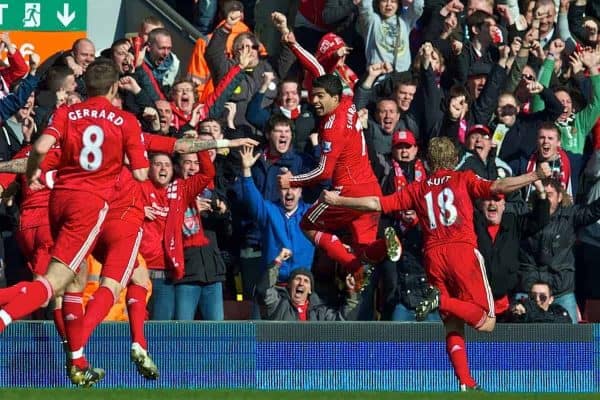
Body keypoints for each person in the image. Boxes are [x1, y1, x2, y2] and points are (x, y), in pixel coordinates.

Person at [320, 136, 551, 391]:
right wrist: (534, 175)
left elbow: (376, 203)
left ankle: (466, 382)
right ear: (453, 160)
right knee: (487, 321)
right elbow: (498, 185)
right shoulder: (462, 178)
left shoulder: (418, 188)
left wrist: (338, 201)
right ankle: (440, 301)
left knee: (453, 323)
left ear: (428, 163)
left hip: (433, 257)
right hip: (461, 251)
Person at [0, 59, 149, 386]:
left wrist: (34, 170)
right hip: (88, 205)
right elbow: (140, 173)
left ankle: (78, 360)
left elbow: (40, 147)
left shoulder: (68, 113)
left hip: (57, 203)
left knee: (72, 280)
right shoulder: (125, 121)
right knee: (52, 283)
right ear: (113, 88)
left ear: (86, 86)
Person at [278, 74, 400, 287]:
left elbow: (324, 172)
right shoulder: (348, 103)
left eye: (320, 96)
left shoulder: (332, 128)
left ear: (335, 97)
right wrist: (294, 46)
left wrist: (292, 181)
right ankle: (386, 245)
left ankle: (353, 267)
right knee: (366, 250)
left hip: (347, 193)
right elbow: (318, 71)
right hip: (371, 190)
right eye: (313, 96)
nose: (315, 100)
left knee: (307, 224)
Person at [254, 248, 360, 321]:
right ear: (289, 285)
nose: (301, 283)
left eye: (306, 281)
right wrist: (278, 261)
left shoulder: (320, 312)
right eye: (297, 279)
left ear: (310, 290)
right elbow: (263, 289)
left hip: (312, 353)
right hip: (284, 352)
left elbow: (343, 319)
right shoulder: (278, 304)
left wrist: (351, 292)